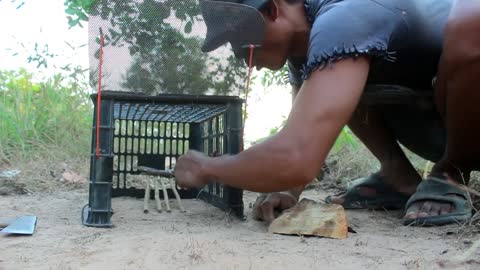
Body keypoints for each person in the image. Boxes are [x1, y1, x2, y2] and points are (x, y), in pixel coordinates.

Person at [174, 0, 480, 226]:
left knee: (473, 19)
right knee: (333, 78)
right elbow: (305, 129)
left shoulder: (347, 14)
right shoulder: (309, 46)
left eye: (242, 41)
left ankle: (451, 172)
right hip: (439, 119)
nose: (245, 58)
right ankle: (397, 175)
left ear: (274, 10)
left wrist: (207, 168)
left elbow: (297, 156)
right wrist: (287, 188)